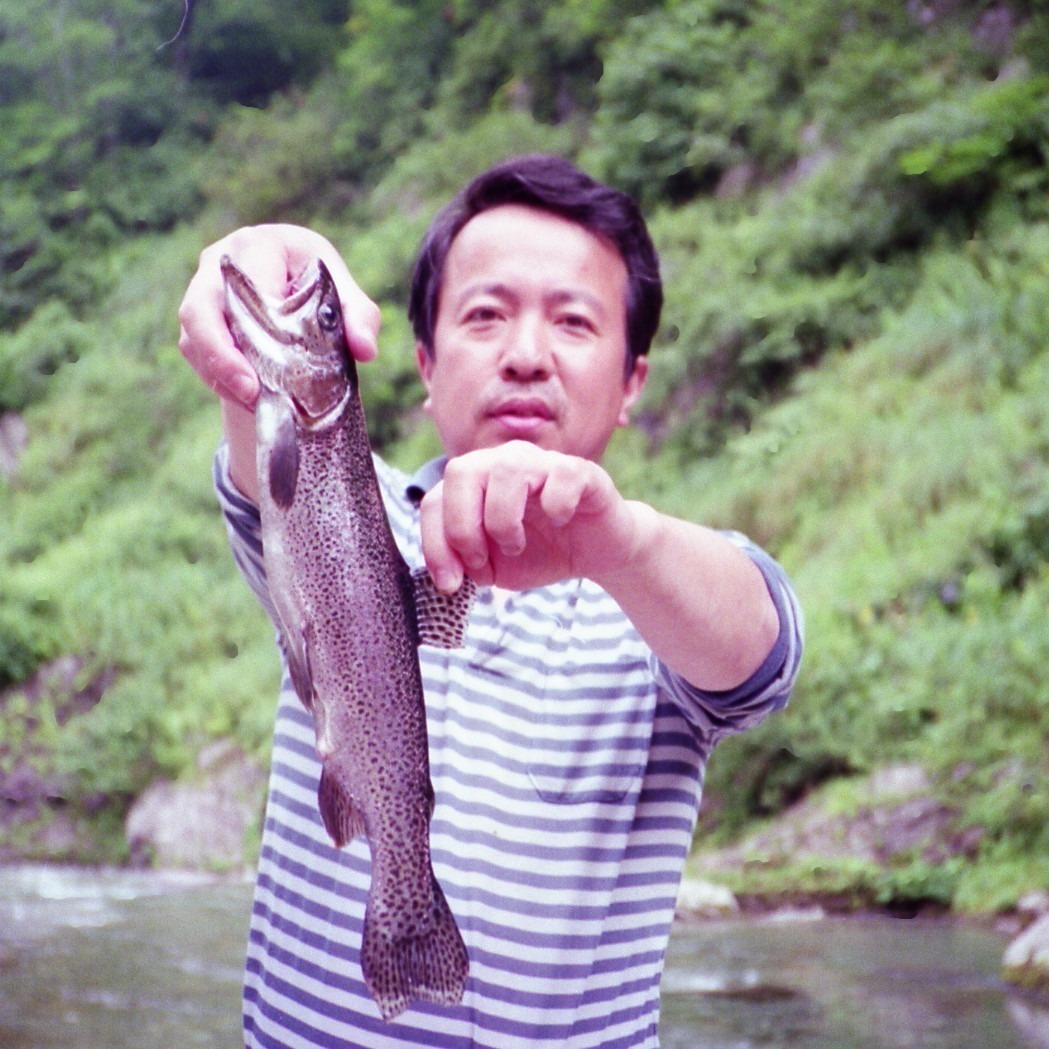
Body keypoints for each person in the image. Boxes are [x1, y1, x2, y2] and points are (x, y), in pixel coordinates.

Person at [178, 154, 803, 1048]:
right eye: (484, 314)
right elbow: (265, 447)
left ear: (632, 381)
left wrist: (620, 544)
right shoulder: (347, 513)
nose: (525, 355)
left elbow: (759, 650)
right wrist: (264, 257)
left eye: (573, 321)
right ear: (424, 365)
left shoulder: (662, 585)